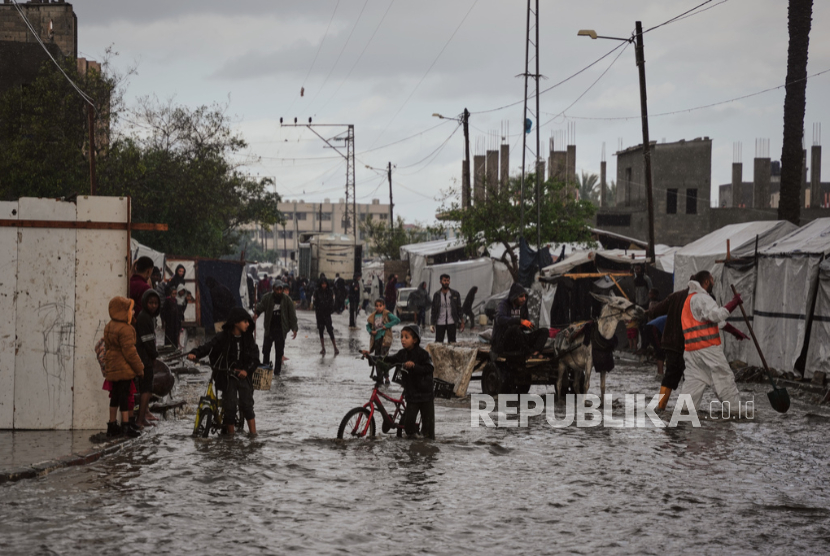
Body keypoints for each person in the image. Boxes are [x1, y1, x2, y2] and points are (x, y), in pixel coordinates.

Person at [677, 270, 749, 413]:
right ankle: (737, 411)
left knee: (693, 384)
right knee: (724, 378)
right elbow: (716, 316)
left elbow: (712, 322)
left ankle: (683, 415)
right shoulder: (703, 298)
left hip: (692, 352)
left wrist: (735, 331)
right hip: (708, 350)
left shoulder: (690, 300)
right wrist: (734, 303)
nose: (714, 284)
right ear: (707, 281)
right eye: (712, 280)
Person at [187, 308, 259, 435]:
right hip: (228, 376)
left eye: (248, 322)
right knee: (229, 407)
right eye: (245, 321)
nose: (248, 324)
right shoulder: (223, 337)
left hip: (243, 376)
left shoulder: (248, 339)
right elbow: (209, 346)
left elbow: (255, 357)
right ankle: (230, 440)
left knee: (247, 406)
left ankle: (254, 435)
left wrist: (246, 371)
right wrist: (195, 353)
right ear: (236, 322)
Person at [103, 296, 144, 438]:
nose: (133, 312)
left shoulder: (109, 326)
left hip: (112, 366)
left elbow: (107, 347)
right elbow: (130, 352)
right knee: (125, 396)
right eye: (131, 310)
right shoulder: (126, 329)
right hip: (124, 368)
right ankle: (126, 426)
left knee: (114, 395)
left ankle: (112, 425)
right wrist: (139, 368)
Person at [386, 324, 435, 439]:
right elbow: (390, 359)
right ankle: (414, 448)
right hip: (412, 395)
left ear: (415, 340)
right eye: (401, 336)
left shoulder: (423, 354)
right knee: (408, 428)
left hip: (425, 395)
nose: (402, 339)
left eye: (406, 337)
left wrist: (414, 366)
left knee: (428, 431)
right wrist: (372, 357)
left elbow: (430, 368)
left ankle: (428, 451)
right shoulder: (402, 354)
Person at [491, 283, 549, 359]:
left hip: (518, 339)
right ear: (514, 297)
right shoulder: (504, 304)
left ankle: (536, 353)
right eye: (521, 296)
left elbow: (524, 324)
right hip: (504, 341)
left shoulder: (522, 307)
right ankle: (528, 354)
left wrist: (527, 325)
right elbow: (499, 319)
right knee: (515, 329)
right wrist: (519, 321)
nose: (524, 299)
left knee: (544, 331)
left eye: (525, 296)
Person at [255, 280, 298, 375]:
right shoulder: (267, 298)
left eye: (280, 289)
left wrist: (294, 328)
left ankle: (277, 372)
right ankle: (265, 371)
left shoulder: (287, 300)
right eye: (277, 289)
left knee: (279, 352)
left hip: (281, 330)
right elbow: (261, 306)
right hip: (269, 329)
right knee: (266, 351)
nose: (279, 291)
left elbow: (292, 315)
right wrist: (256, 314)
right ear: (273, 289)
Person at [134, 289, 161, 428]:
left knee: (147, 388)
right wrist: (154, 355)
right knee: (146, 389)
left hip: (145, 357)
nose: (153, 306)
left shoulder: (148, 317)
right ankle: (140, 419)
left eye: (156, 303)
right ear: (145, 302)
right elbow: (148, 341)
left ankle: (142, 417)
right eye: (150, 303)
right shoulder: (144, 317)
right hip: (145, 358)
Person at [366, 298, 401, 384]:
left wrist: (387, 325)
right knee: (378, 358)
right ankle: (379, 377)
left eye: (380, 306)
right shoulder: (373, 316)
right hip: (376, 339)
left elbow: (397, 320)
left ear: (384, 306)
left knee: (384, 358)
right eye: (377, 306)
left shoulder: (386, 314)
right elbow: (368, 326)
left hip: (385, 339)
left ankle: (386, 377)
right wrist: (371, 331)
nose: (378, 308)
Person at [430, 274, 463, 343]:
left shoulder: (455, 294)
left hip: (452, 322)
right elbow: (433, 310)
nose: (446, 282)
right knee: (438, 343)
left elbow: (459, 308)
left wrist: (462, 321)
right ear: (440, 282)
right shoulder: (437, 295)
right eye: (444, 280)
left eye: (448, 280)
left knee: (452, 343)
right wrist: (432, 324)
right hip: (440, 322)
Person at [313, 277, 339, 355]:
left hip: (327, 313)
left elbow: (332, 302)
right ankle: (323, 348)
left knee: (330, 330)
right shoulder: (317, 292)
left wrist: (329, 309)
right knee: (321, 330)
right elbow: (315, 302)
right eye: (322, 284)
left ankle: (335, 347)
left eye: (325, 284)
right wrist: (318, 308)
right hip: (320, 313)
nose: (324, 285)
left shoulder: (329, 291)